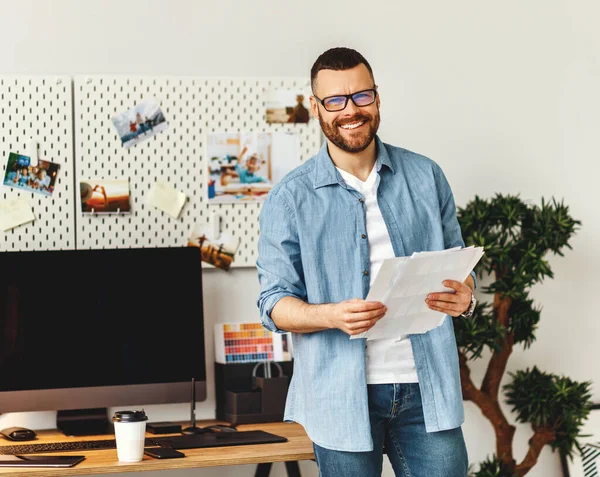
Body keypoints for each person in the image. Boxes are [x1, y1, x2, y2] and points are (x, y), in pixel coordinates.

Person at [256, 47, 477, 477]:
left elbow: (460, 271)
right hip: (339, 398)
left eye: (362, 96)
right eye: (335, 101)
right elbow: (272, 303)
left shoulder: (427, 176)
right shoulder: (290, 197)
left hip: (428, 391)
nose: (351, 110)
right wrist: (331, 315)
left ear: (377, 97)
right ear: (317, 108)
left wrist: (465, 300)